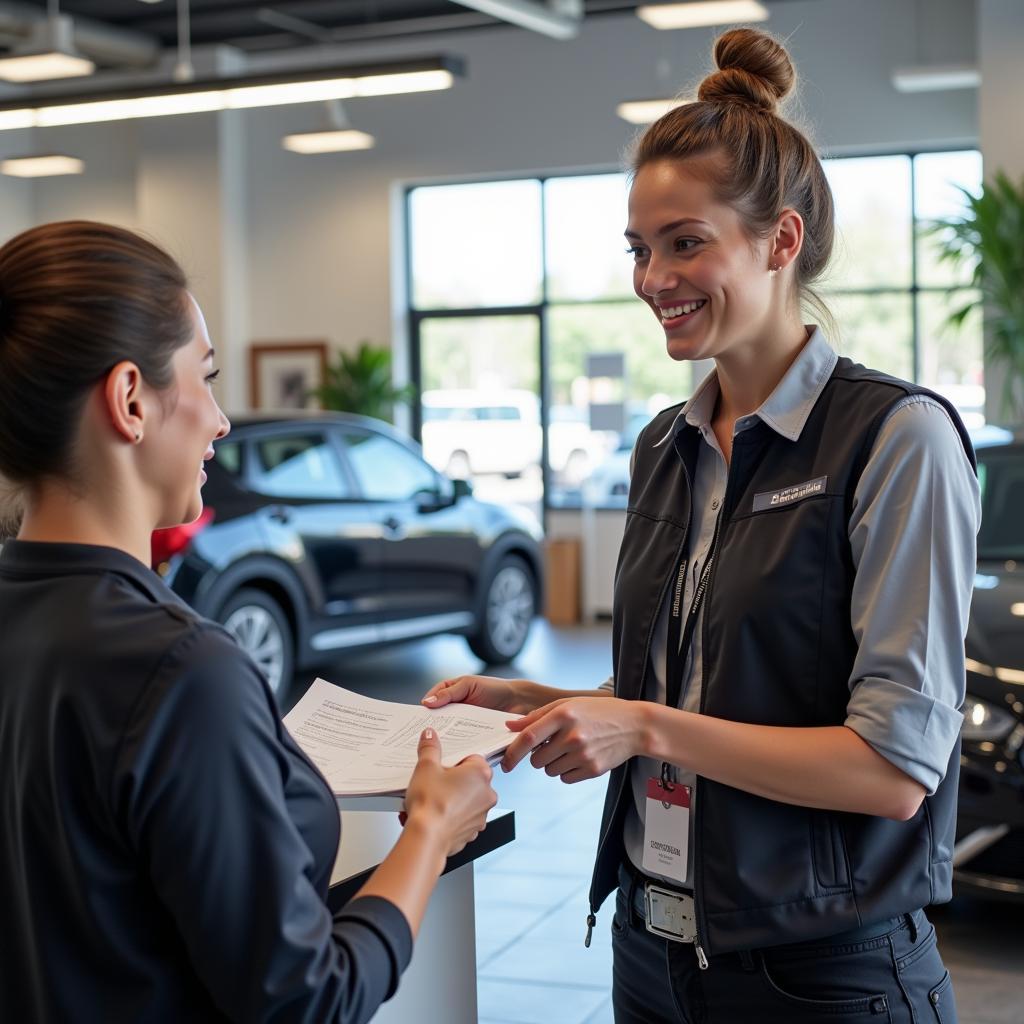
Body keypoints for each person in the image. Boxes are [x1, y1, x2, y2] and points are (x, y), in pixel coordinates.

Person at [422, 27, 979, 1024]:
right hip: (653, 951)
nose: (651, 278)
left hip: (819, 975)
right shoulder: (662, 446)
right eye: (640, 248)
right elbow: (689, 693)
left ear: (781, 239)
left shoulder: (896, 439)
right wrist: (529, 699)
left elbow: (892, 770)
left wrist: (636, 723)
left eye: (686, 242)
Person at [0, 220, 497, 1024]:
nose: (221, 420)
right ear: (130, 400)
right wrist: (430, 833)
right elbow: (306, 1001)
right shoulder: (181, 668)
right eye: (206, 376)